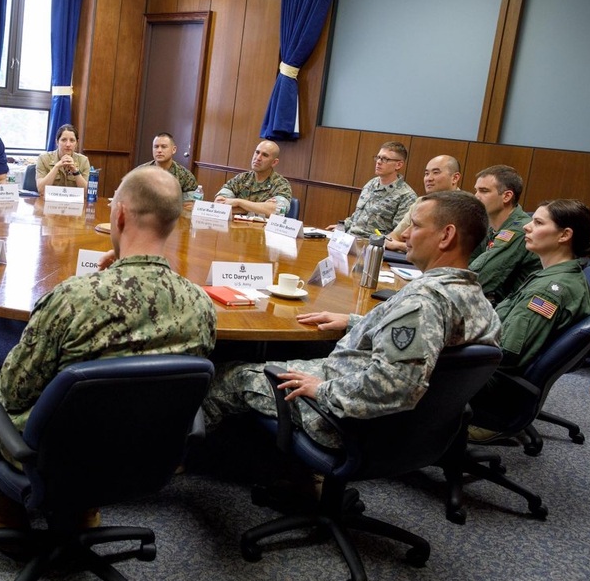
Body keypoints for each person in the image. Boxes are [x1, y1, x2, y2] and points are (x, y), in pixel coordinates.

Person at [0, 166, 217, 530]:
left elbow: (16, 392)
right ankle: (81, 510)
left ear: (120, 214)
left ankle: (7, 513)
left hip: (58, 450)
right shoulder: (200, 305)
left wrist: (98, 285)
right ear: (174, 222)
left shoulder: (74, 298)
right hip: (144, 453)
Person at [203, 190, 500, 449]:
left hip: (342, 417)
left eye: (416, 226)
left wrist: (321, 389)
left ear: (446, 236)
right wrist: (355, 322)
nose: (405, 234)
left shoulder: (422, 302)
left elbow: (396, 385)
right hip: (412, 427)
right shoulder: (476, 299)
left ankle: (182, 459)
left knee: (228, 375)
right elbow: (429, 340)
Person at [468, 199, 590, 441]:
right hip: (495, 374)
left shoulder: (548, 290)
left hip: (489, 386)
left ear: (564, 235)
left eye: (537, 222)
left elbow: (506, 354)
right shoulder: (559, 275)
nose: (527, 226)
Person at [469, 165, 541, 305]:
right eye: (476, 190)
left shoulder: (520, 229)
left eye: (484, 191)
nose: (476, 196)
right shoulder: (489, 225)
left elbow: (479, 277)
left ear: (507, 196)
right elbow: (466, 261)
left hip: (509, 308)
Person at [329, 142, 417, 237]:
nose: (378, 162)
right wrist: (343, 226)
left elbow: (398, 234)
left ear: (398, 165)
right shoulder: (371, 183)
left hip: (372, 245)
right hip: (348, 238)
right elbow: (358, 215)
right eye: (378, 157)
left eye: (385, 159)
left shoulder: (407, 196)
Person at [384, 155, 461, 252]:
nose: (429, 178)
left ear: (455, 178)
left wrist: (400, 246)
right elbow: (394, 237)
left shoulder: (463, 207)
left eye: (436, 173)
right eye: (426, 173)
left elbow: (443, 249)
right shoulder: (420, 202)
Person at [214, 140, 292, 217]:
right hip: (236, 227)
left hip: (262, 229)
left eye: (265, 155)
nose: (258, 158)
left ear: (274, 162)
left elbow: (276, 211)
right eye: (257, 152)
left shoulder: (281, 184)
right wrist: (260, 208)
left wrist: (238, 202)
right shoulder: (241, 178)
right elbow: (219, 204)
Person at [35, 123, 89, 192]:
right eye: (64, 140)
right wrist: (56, 167)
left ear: (77, 143)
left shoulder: (83, 161)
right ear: (57, 142)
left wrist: (75, 171)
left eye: (72, 140)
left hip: (74, 201)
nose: (68, 144)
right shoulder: (43, 159)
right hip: (50, 201)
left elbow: (87, 193)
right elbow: (41, 190)